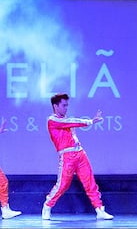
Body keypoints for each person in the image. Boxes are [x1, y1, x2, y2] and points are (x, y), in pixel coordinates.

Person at [41, 92, 113, 221]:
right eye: (63, 105)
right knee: (62, 185)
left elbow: (70, 127)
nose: (66, 108)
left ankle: (99, 209)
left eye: (67, 105)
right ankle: (47, 206)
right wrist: (90, 121)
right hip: (67, 157)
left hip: (80, 153)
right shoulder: (52, 120)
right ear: (55, 106)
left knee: (90, 182)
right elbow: (71, 121)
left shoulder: (65, 120)